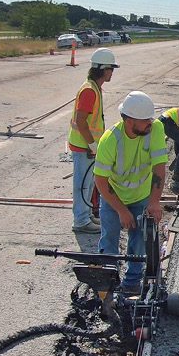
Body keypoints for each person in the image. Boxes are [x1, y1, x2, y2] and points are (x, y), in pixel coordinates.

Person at [93, 91, 168, 293]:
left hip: (141, 197)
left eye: (150, 119)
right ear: (129, 120)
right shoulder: (110, 140)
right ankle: (109, 284)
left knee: (138, 240)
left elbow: (159, 168)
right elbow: (100, 180)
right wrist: (121, 211)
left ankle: (131, 283)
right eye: (145, 121)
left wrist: (154, 201)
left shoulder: (156, 129)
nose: (149, 124)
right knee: (109, 239)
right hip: (113, 197)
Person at [68, 48, 119, 233]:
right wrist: (92, 145)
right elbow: (81, 121)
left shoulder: (94, 88)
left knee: (89, 184)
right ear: (103, 69)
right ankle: (80, 221)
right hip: (83, 146)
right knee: (82, 184)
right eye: (111, 68)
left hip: (88, 145)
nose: (112, 72)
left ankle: (87, 215)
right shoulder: (90, 90)